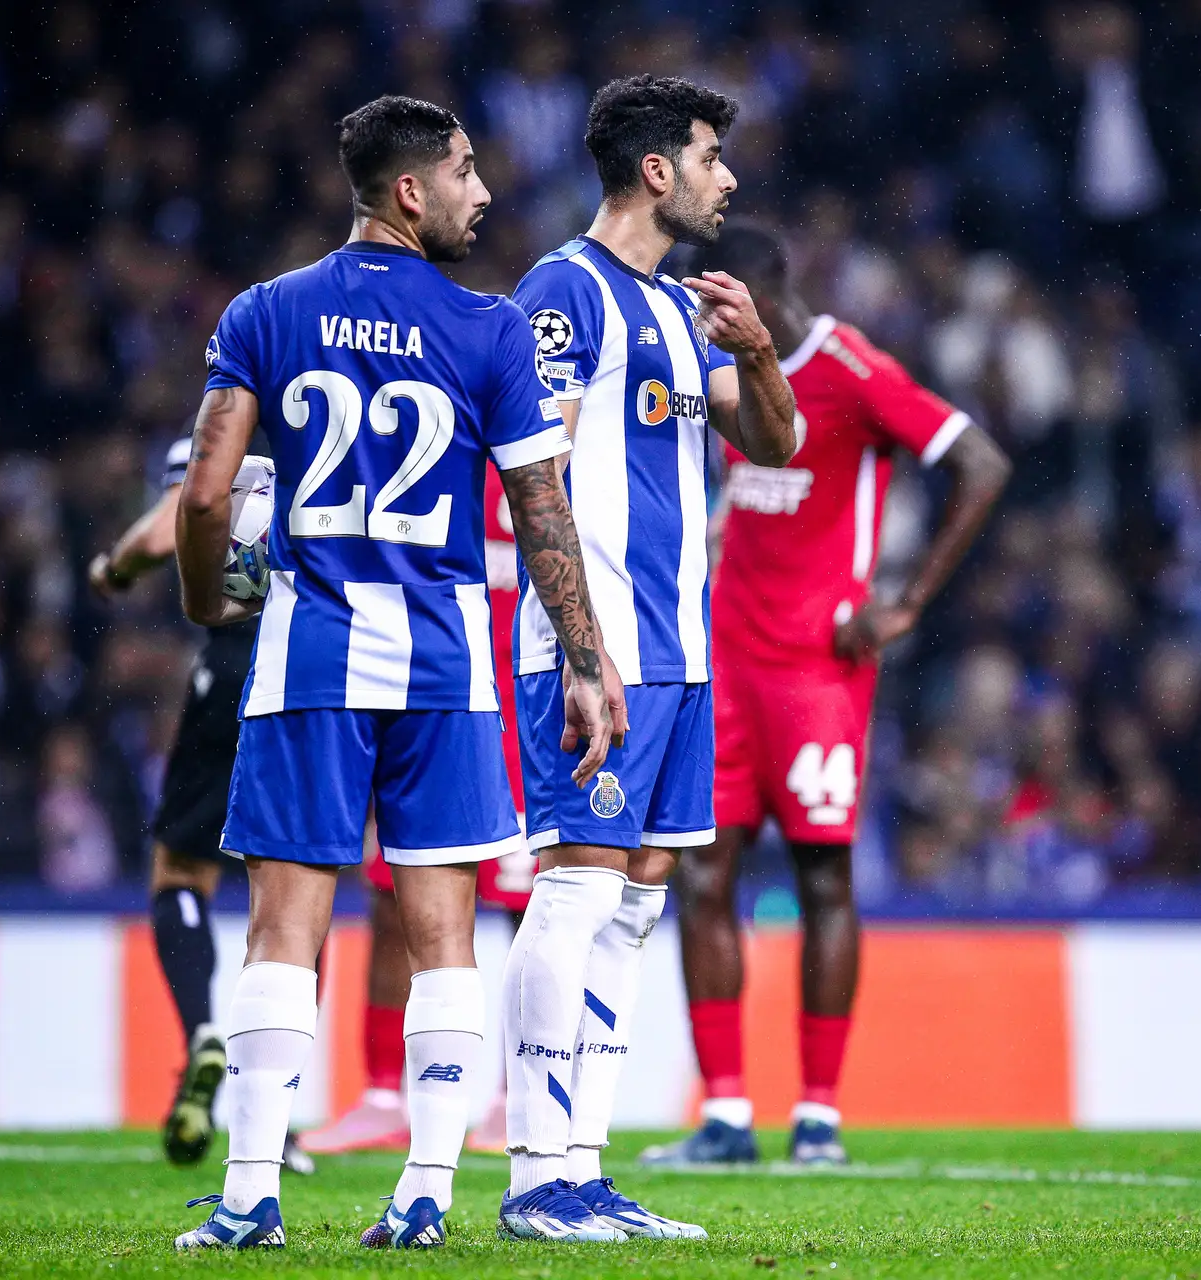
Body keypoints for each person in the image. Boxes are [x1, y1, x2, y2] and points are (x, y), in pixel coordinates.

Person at [169, 95, 620, 1252]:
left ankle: (249, 1196)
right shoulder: (489, 330)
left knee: (283, 927)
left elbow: (208, 494)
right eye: (466, 172)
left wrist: (204, 600)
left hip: (307, 649)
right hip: (443, 656)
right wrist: (584, 657)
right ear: (410, 190)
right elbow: (540, 505)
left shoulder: (265, 311)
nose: (483, 192)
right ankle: (424, 1189)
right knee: (442, 930)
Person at [497, 75, 797, 1243]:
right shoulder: (561, 295)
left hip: (681, 655)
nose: (729, 179)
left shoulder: (679, 308)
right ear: (657, 171)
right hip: (594, 653)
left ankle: (583, 1167)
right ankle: (532, 1177)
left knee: (633, 908)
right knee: (573, 893)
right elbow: (541, 483)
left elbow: (774, 443)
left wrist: (762, 351)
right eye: (712, 157)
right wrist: (582, 651)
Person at [639, 223, 1009, 1168]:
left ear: (745, 299)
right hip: (721, 665)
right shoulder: (710, 382)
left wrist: (906, 603)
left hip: (816, 674)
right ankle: (725, 1115)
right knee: (705, 876)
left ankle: (818, 1119)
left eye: (702, 306)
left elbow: (982, 463)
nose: (690, 323)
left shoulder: (850, 366)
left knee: (821, 879)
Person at [87, 438, 318, 1178]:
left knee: (180, 874)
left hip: (236, 662)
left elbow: (172, 521)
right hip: (322, 673)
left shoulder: (225, 448)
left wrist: (113, 567)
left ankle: (204, 1034)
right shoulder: (316, 446)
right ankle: (276, 1113)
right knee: (296, 895)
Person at [301, 466, 534, 1157]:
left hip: (525, 708)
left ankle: (515, 1096)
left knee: (531, 909)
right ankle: (382, 1096)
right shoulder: (434, 454)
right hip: (431, 694)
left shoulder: (547, 454)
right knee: (389, 893)